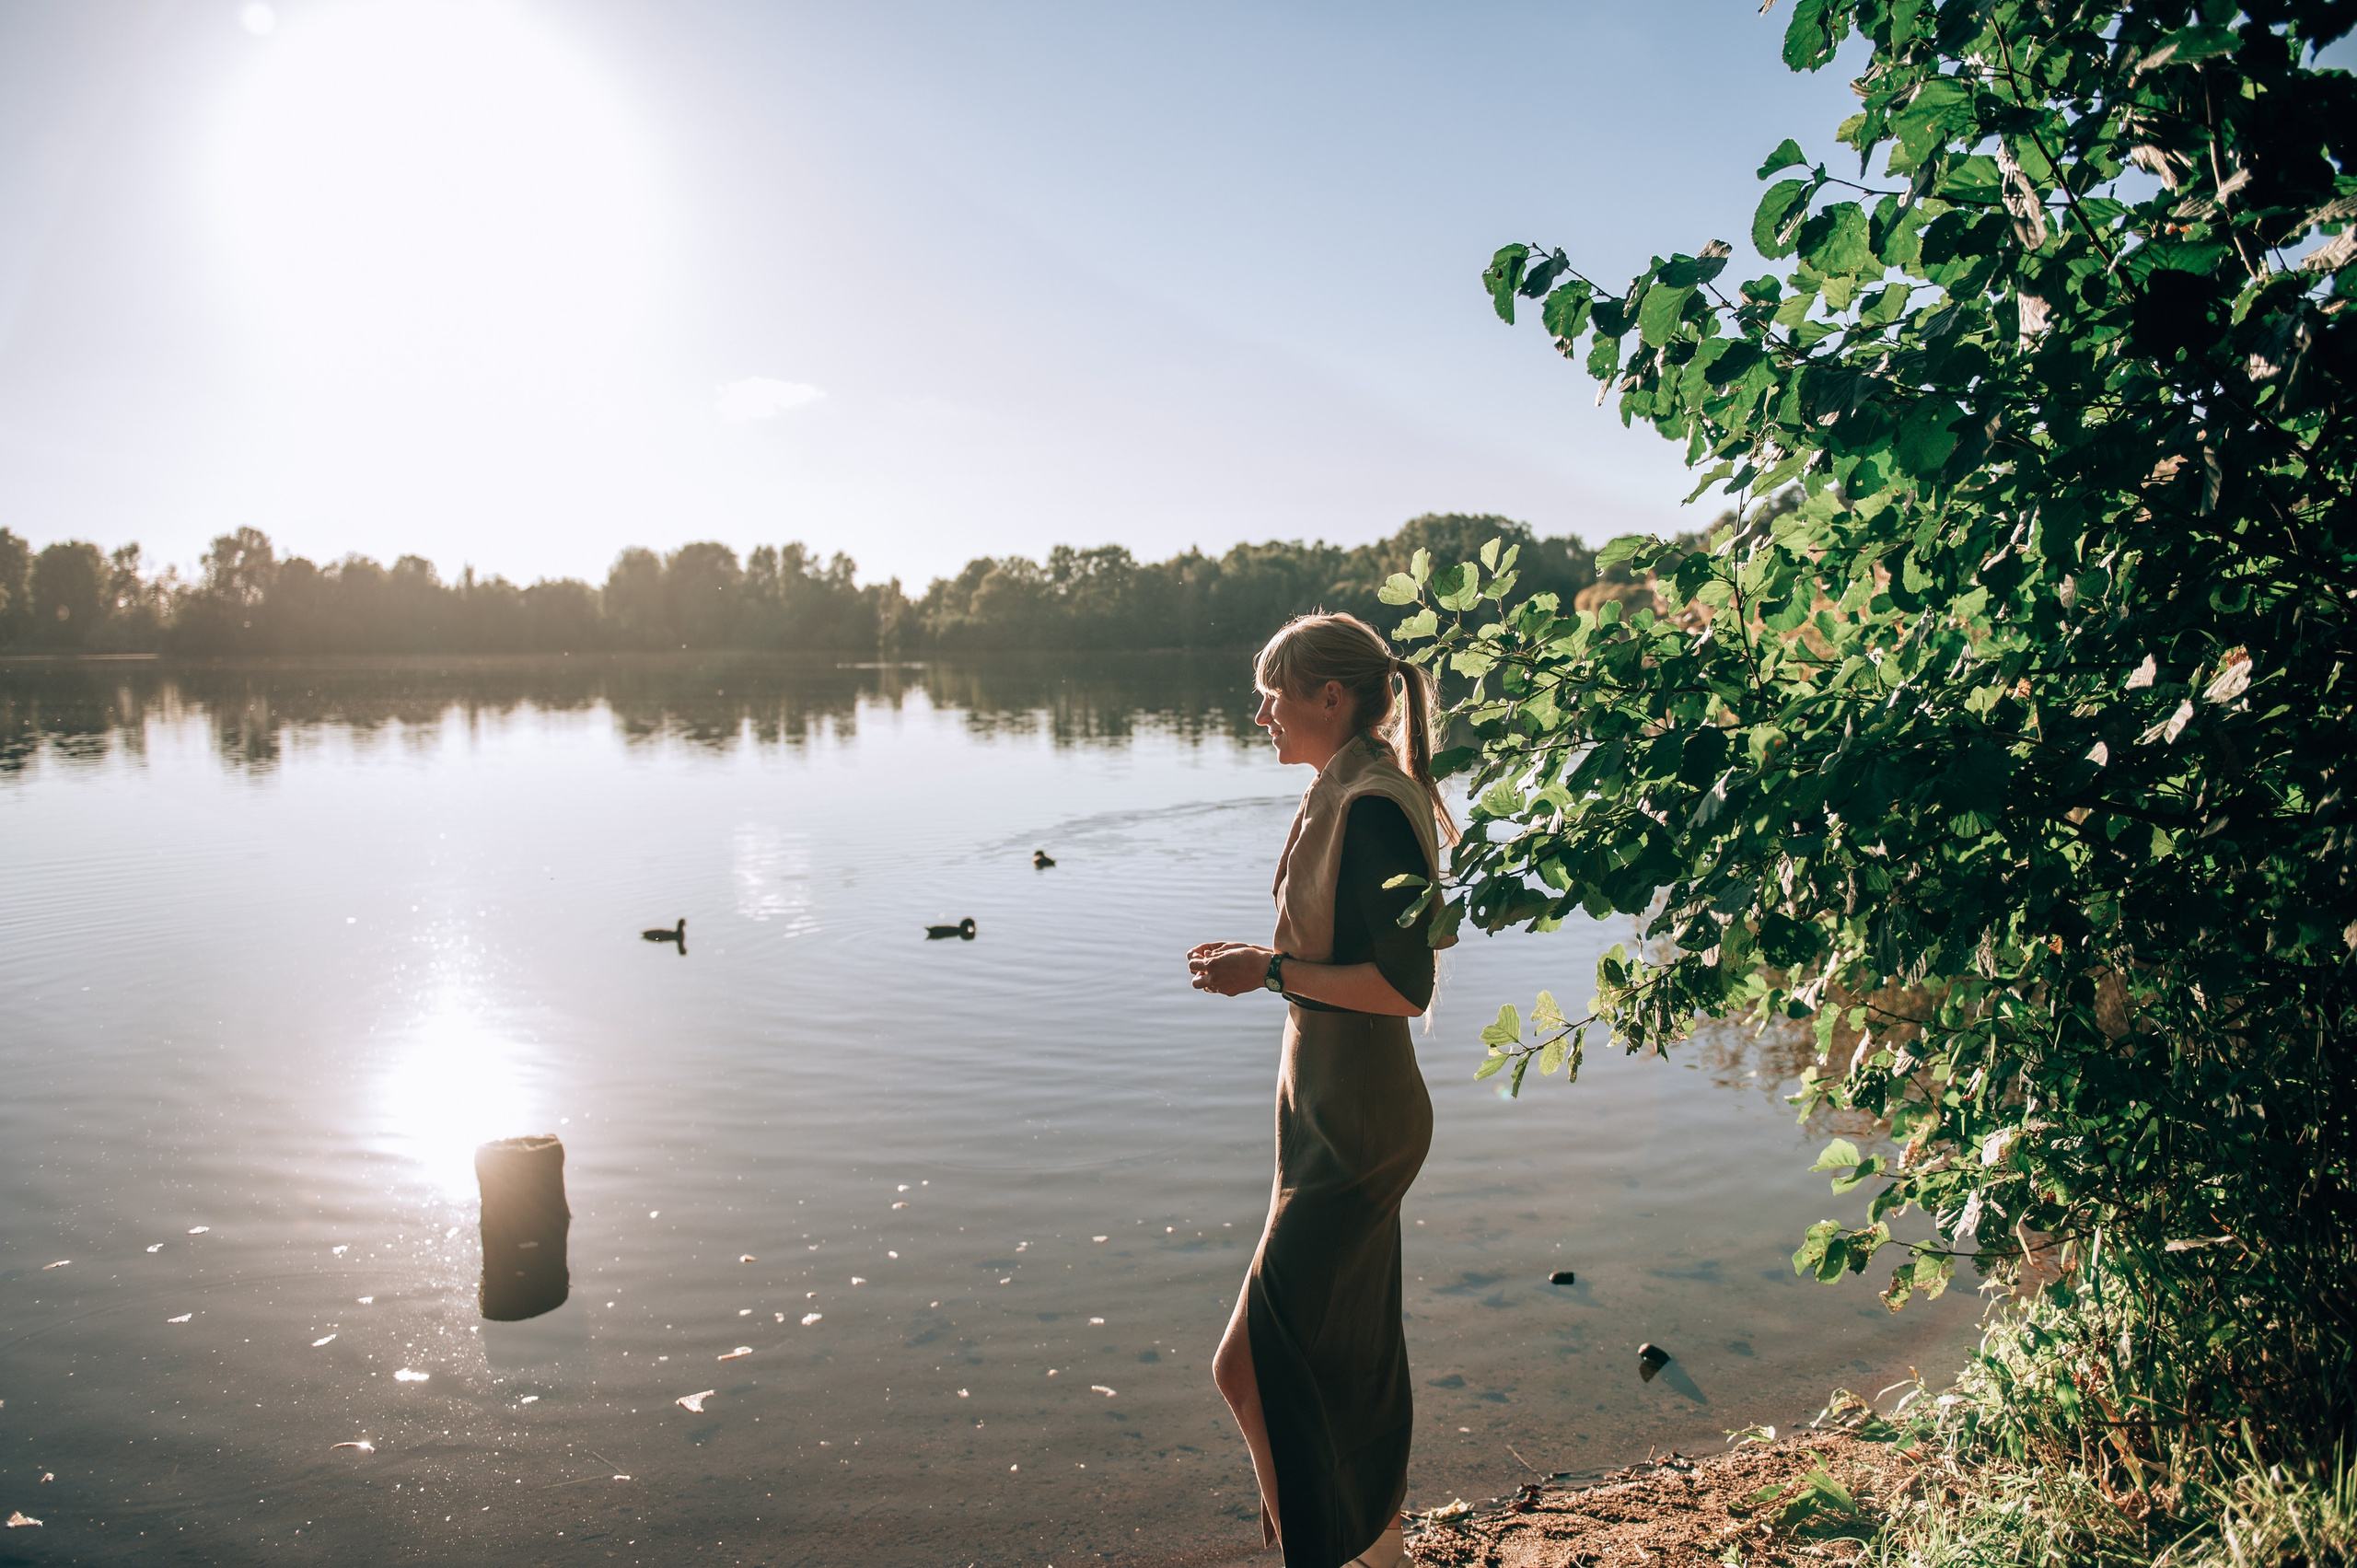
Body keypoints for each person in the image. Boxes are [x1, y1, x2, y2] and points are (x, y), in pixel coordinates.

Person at [1187, 610, 1458, 1568]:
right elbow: (1336, 952)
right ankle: (1376, 1555)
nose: (1259, 710)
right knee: (1348, 1362)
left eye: (1273, 692)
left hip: (1357, 1128)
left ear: (1328, 697)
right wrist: (1262, 961)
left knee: (1248, 1366)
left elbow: (1399, 986)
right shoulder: (1343, 789)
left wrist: (1265, 973)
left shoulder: (1373, 803)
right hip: (1326, 1121)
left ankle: (1315, 1543)